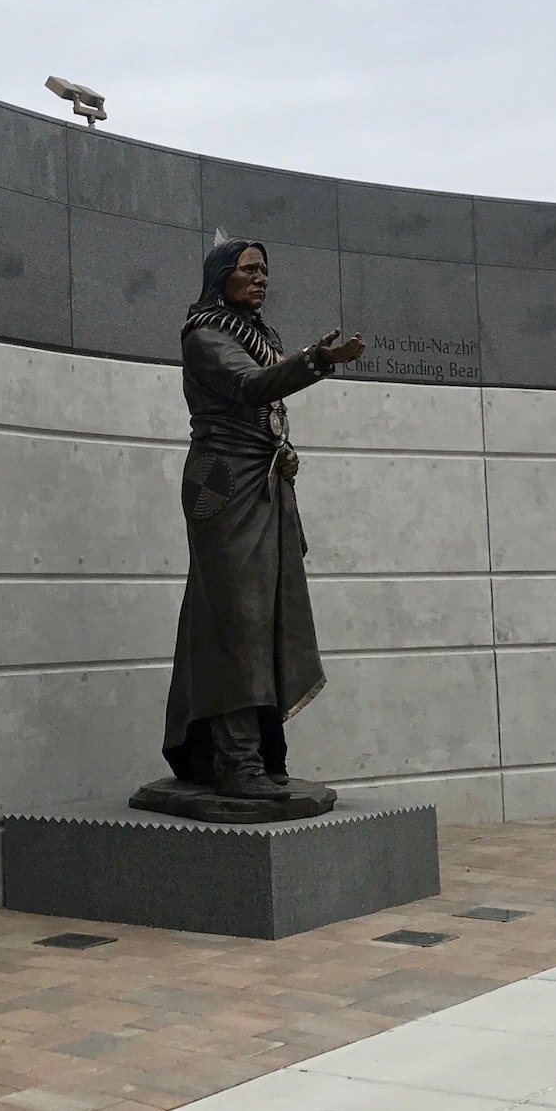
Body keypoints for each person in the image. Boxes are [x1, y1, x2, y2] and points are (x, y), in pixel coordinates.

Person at [162, 237, 365, 799]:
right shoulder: (205, 335)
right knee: (236, 622)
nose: (261, 279)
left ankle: (262, 756)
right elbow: (249, 387)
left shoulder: (259, 338)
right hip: (221, 485)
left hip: (266, 484)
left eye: (265, 270)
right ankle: (237, 763)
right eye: (249, 269)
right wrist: (318, 360)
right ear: (221, 276)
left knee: (271, 616)